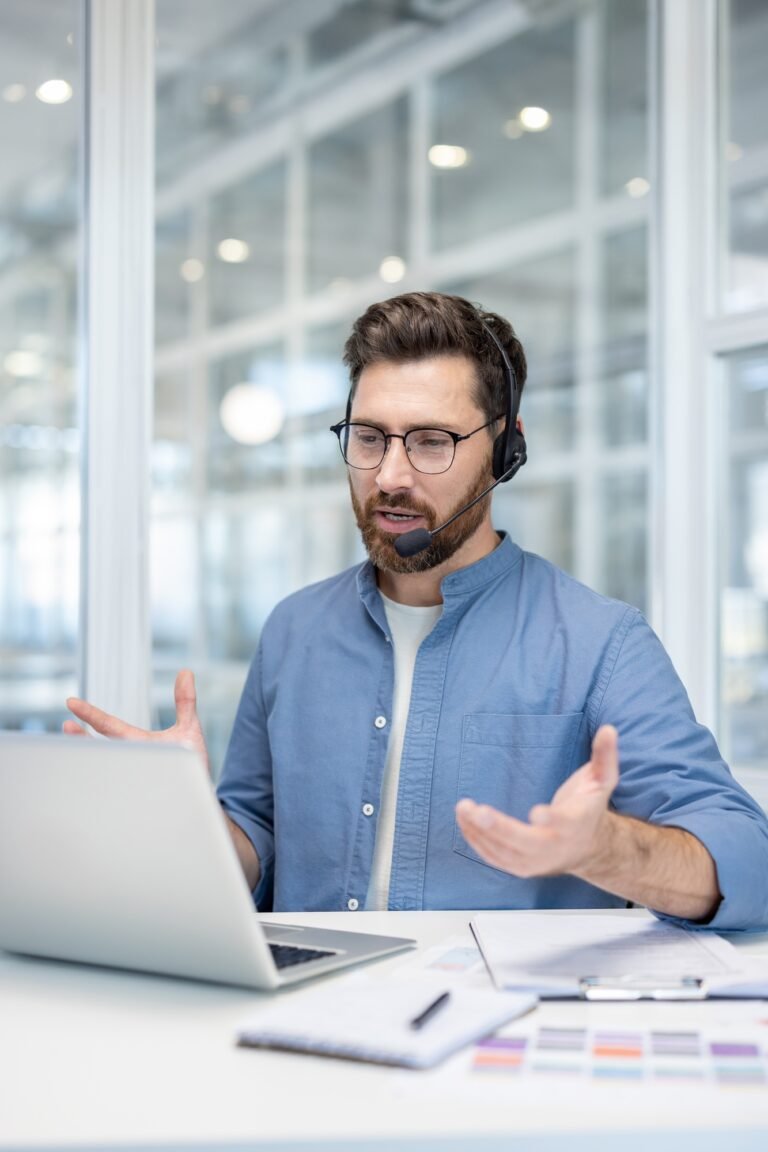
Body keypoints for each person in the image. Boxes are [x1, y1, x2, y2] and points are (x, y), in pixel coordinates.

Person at [65, 291, 768, 929]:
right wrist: (186, 816)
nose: (390, 475)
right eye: (369, 437)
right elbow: (257, 848)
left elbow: (749, 861)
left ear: (506, 449)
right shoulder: (293, 630)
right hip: (303, 1010)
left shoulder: (601, 642)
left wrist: (610, 850)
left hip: (496, 1021)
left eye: (432, 441)